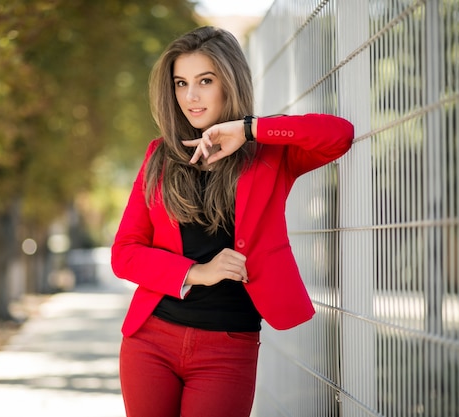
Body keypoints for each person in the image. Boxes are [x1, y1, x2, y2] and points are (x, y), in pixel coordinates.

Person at [111, 26, 354, 417]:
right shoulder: (159, 155)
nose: (190, 96)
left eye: (205, 81)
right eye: (181, 83)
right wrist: (195, 272)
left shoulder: (270, 154)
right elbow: (124, 253)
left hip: (227, 347)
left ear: (229, 81)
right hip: (150, 341)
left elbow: (338, 136)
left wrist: (248, 129)